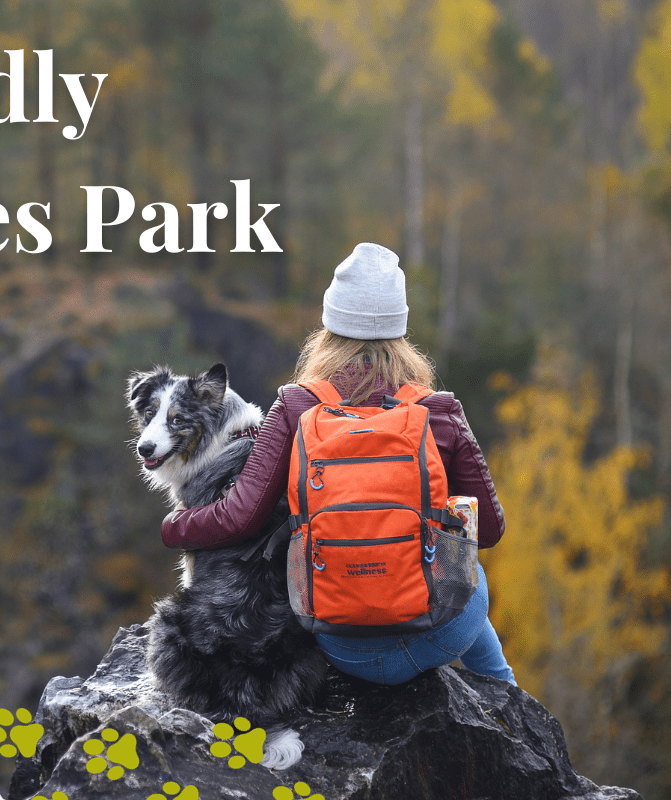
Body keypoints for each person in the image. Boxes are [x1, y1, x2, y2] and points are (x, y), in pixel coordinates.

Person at [161, 242, 517, 686]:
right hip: (439, 635)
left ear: (329, 328)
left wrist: (175, 527)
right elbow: (490, 531)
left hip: (338, 644)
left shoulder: (296, 407)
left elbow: (239, 518)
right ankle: (505, 693)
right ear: (400, 331)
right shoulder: (439, 411)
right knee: (462, 566)